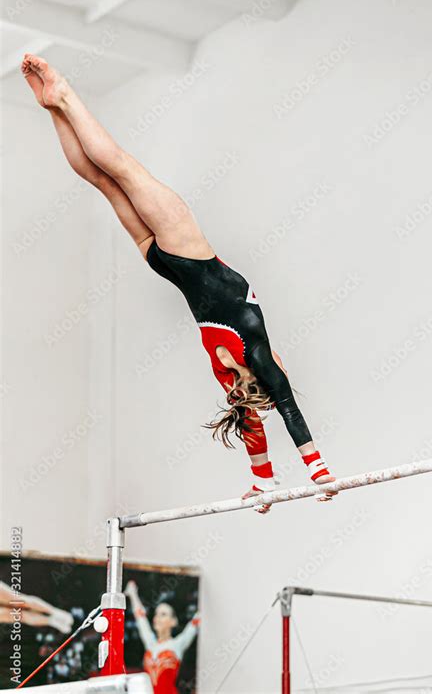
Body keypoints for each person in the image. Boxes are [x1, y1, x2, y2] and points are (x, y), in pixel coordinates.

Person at [21, 55, 338, 512]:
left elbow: (288, 407)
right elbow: (252, 418)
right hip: (163, 263)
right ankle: (53, 108)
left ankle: (64, 94)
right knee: (103, 182)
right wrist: (265, 483)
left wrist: (319, 472)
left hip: (186, 250)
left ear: (264, 378)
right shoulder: (227, 373)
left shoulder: (258, 353)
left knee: (121, 167)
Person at [125, 581, 198, 694]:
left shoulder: (178, 644)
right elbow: (141, 619)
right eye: (156, 614)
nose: (157, 618)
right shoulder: (151, 643)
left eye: (163, 614)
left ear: (174, 621)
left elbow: (195, 622)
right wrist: (133, 593)